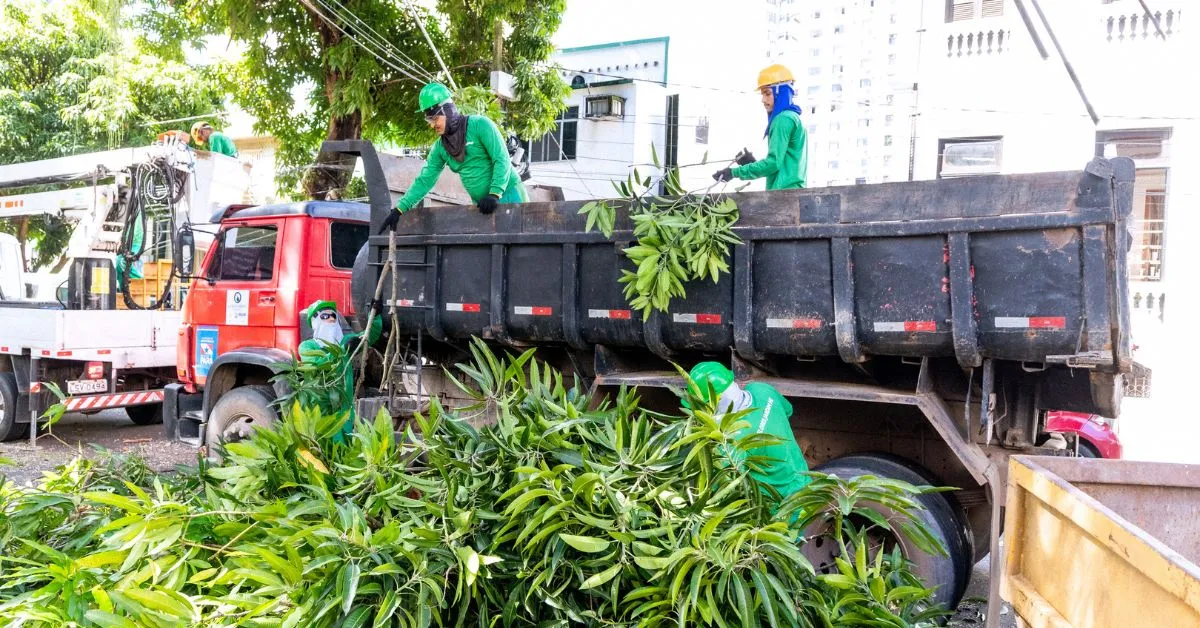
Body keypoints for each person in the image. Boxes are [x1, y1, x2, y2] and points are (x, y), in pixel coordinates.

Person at [378, 82, 528, 233]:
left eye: (435, 118)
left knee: (519, 249)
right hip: (482, 204)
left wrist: (494, 193)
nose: (432, 125)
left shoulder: (480, 125)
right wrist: (399, 209)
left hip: (509, 194)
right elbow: (425, 180)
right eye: (429, 120)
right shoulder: (440, 148)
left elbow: (501, 158)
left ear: (447, 110)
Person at [687, 361, 811, 498]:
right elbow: (788, 411)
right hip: (806, 486)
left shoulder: (732, 441)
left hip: (781, 511)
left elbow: (721, 491)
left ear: (712, 404)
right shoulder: (762, 390)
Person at [297, 300, 381, 442]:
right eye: (325, 316)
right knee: (322, 445)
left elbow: (368, 336)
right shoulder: (307, 347)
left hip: (343, 406)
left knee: (344, 445)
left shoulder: (345, 341)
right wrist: (343, 350)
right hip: (320, 407)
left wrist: (375, 315)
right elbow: (317, 364)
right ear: (315, 321)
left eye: (333, 316)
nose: (330, 319)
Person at [713, 64, 808, 190]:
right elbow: (780, 165)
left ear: (781, 92)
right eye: (762, 94)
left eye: (767, 93)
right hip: (791, 191)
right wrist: (752, 164)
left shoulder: (783, 119)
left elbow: (773, 163)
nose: (763, 100)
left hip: (784, 194)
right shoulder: (792, 117)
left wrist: (734, 172)